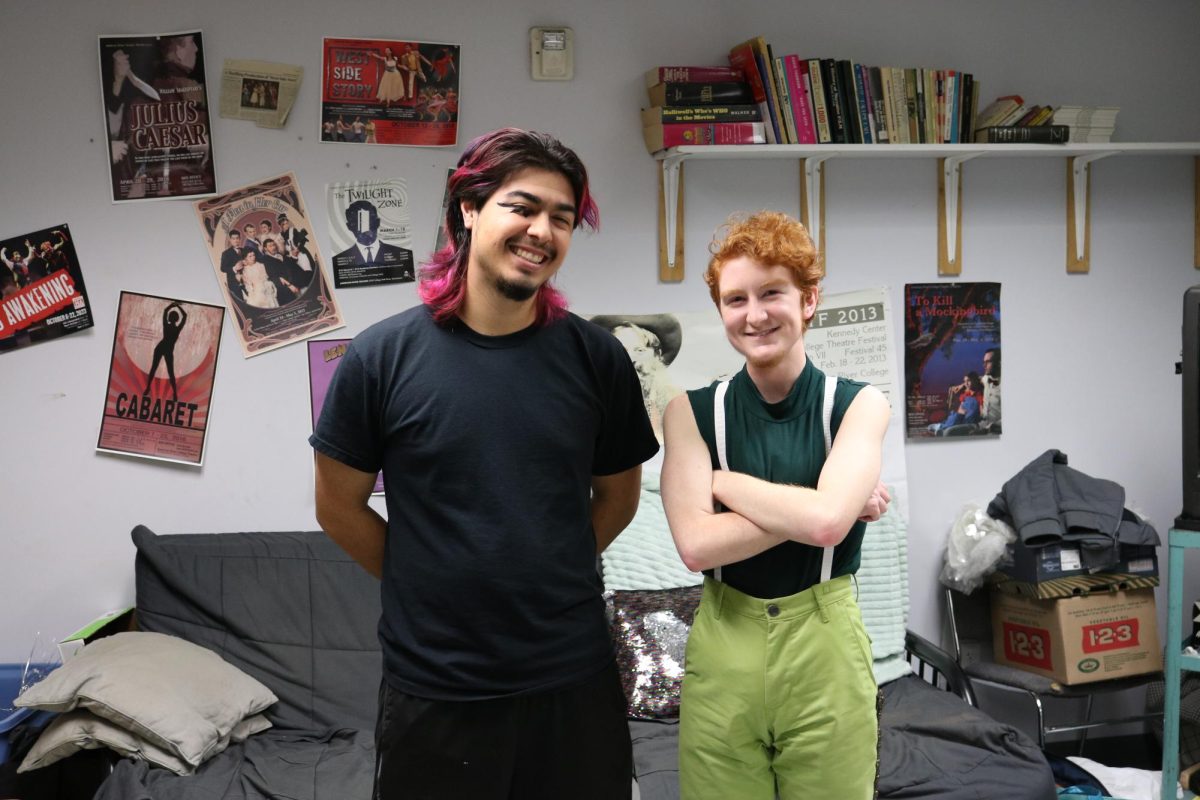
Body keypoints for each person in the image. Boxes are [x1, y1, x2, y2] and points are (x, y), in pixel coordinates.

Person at [310, 128, 658, 800]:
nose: (542, 231)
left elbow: (617, 498)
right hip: (437, 691)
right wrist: (427, 577)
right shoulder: (380, 359)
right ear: (469, 208)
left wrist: (548, 564)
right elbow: (337, 506)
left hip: (573, 684)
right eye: (522, 207)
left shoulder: (598, 360)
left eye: (561, 218)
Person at [660, 210, 890, 800]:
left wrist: (726, 485)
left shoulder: (860, 405)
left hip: (825, 642)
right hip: (722, 639)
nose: (754, 314)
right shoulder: (690, 412)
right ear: (721, 311)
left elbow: (828, 523)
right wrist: (821, 507)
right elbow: (696, 546)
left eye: (772, 293)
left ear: (809, 300)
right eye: (735, 299)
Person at [590, 314, 683, 444]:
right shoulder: (595, 403)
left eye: (639, 350)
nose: (631, 359)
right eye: (622, 350)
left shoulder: (679, 401)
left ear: (657, 354)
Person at [331, 199, 414, 280]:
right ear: (349, 226)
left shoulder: (404, 255)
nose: (365, 229)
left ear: (378, 222)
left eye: (368, 221)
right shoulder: (337, 262)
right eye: (357, 222)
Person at [944, 348, 1001, 436]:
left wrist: (989, 429)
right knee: (948, 433)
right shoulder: (986, 379)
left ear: (999, 362)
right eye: (983, 362)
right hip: (981, 424)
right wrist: (962, 385)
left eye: (988, 362)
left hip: (995, 428)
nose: (984, 365)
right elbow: (974, 379)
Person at [145, 302, 187, 400]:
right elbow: (185, 316)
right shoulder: (177, 329)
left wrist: (173, 305)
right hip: (166, 349)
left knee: (154, 368)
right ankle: (175, 394)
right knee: (169, 371)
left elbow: (165, 311)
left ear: (170, 318)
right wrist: (177, 306)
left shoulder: (167, 325)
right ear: (176, 319)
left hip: (162, 347)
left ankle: (148, 388)